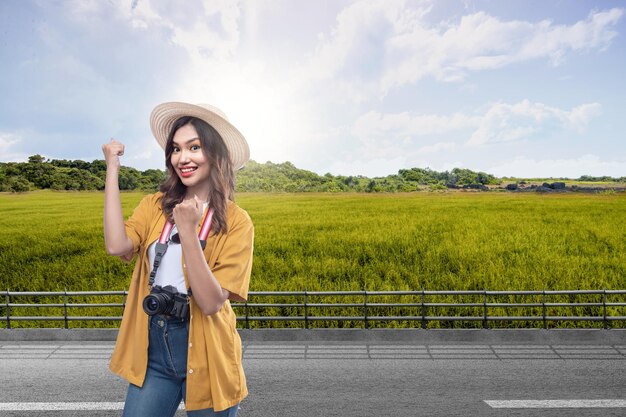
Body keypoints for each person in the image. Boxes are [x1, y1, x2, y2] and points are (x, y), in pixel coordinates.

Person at [102, 102, 254, 416]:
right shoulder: (155, 205)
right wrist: (112, 171)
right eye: (175, 149)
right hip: (154, 347)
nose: (182, 158)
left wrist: (187, 231)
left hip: (209, 350)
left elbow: (211, 302)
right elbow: (117, 245)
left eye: (194, 147)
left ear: (216, 154)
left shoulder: (237, 222)